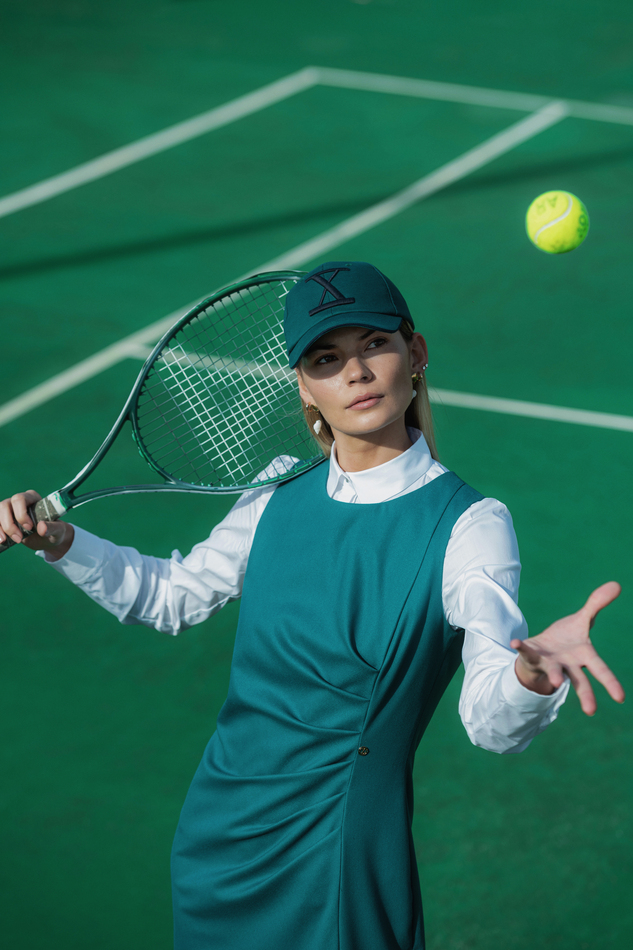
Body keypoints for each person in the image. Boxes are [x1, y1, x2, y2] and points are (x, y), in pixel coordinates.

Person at [0, 261, 624, 950]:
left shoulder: (468, 524)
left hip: (336, 855)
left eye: (374, 344)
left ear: (415, 353)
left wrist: (528, 676)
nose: (355, 372)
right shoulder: (274, 491)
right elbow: (169, 597)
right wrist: (60, 542)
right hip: (219, 839)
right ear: (303, 385)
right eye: (326, 359)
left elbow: (488, 722)